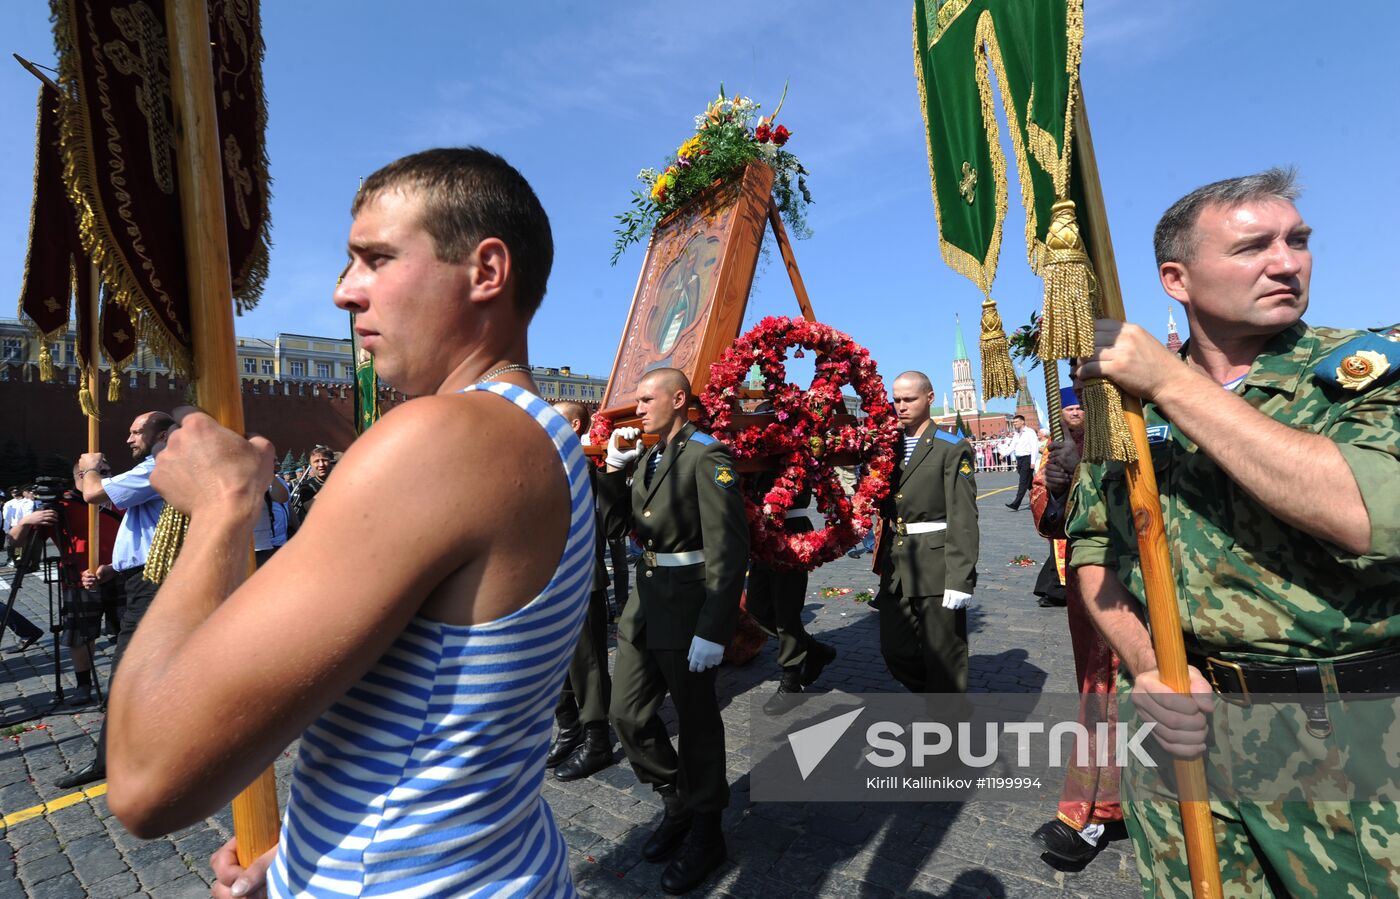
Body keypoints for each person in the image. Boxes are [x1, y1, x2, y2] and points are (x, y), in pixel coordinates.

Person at [103, 148, 591, 898]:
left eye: (376, 258)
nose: (343, 292)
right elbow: (438, 731)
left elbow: (146, 781)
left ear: (486, 271)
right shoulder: (542, 437)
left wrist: (221, 506)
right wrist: (305, 857)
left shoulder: (441, 440)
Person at [1067, 169, 1400, 895]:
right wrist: (1150, 662)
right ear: (1176, 280)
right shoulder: (1123, 413)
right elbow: (1092, 550)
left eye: (1298, 241)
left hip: (1344, 743)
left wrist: (1173, 386)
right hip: (1180, 733)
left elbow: (1373, 519)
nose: (1288, 262)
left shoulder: (1363, 374)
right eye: (1254, 247)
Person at [598, 367, 747, 895]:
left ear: (679, 399)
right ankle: (675, 799)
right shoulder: (651, 455)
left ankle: (707, 831)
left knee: (698, 721)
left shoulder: (705, 455)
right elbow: (617, 528)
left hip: (688, 608)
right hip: (644, 606)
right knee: (626, 713)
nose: (636, 409)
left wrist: (714, 626)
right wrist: (616, 470)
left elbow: (729, 551)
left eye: (645, 400)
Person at [1027, 384, 1122, 864]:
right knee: (1100, 694)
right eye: (1068, 397)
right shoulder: (1059, 450)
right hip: (1092, 587)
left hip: (1152, 584)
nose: (1075, 407)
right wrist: (1059, 486)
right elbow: (1048, 518)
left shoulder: (1137, 430)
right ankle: (1099, 806)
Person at [56, 410, 174, 788]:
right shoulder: (159, 469)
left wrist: (89, 467)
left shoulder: (160, 466)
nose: (129, 439)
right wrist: (112, 568)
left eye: (137, 431)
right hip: (139, 577)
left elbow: (91, 493)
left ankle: (115, 758)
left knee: (127, 672)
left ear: (162, 434)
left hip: (152, 582)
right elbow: (144, 528)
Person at [873, 371, 979, 694]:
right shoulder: (886, 447)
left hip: (936, 565)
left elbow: (963, 515)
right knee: (896, 650)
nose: (901, 406)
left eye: (909, 399)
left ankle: (948, 727)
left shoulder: (951, 448)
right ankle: (940, 697)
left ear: (929, 398)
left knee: (944, 656)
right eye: (896, 400)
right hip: (898, 566)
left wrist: (960, 578)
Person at [8, 464, 125, 704]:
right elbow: (15, 543)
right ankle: (84, 685)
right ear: (82, 476)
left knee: (129, 631)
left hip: (122, 574)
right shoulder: (62, 507)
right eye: (102, 471)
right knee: (81, 634)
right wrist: (27, 521)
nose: (108, 475)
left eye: (109, 470)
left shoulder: (120, 500)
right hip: (79, 580)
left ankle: (127, 682)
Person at [546, 400, 617, 783]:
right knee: (558, 665)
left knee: (588, 664)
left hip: (580, 575)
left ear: (574, 426)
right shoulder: (549, 464)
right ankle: (570, 728)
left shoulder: (588, 467)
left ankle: (597, 739)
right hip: (548, 580)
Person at [745, 469, 836, 713]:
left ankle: (791, 678)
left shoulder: (794, 441)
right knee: (757, 607)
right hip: (760, 532)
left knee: (786, 610)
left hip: (791, 529)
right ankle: (815, 650)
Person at [2, 485, 50, 652]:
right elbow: (7, 517)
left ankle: (27, 563)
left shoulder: (30, 503)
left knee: (30, 550)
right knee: (17, 552)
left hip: (27, 529)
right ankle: (18, 562)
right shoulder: (10, 503)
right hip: (16, 529)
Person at [253, 452, 291, 568]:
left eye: (275, 460)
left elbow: (284, 500)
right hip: (260, 545)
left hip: (276, 542)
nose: (276, 463)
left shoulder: (276, 481)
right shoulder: (251, 482)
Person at [286, 444, 333, 528]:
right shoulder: (307, 486)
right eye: (316, 461)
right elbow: (309, 507)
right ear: (311, 465)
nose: (321, 464)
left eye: (324, 460)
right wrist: (332, 484)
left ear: (331, 462)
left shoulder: (344, 481)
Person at [1004, 414, 1038, 510]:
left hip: (1027, 458)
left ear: (1022, 421)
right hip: (1019, 460)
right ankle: (1039, 498)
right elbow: (1012, 446)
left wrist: (1033, 462)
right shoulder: (1016, 433)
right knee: (1029, 483)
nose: (1014, 424)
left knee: (1023, 482)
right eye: (1013, 422)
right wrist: (1004, 454)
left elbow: (1034, 447)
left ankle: (1016, 503)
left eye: (1016, 422)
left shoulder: (1030, 432)